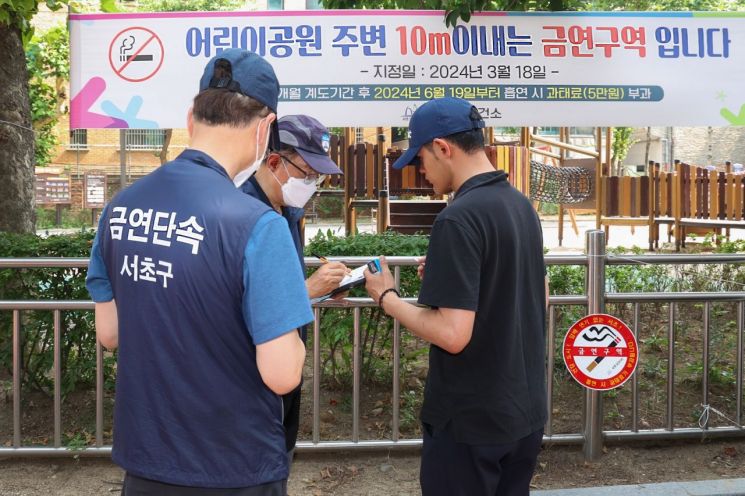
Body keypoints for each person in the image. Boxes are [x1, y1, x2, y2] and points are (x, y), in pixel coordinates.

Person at [85, 48, 312, 495]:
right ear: (265, 128)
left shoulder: (118, 210)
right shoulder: (258, 225)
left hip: (148, 464)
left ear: (192, 117)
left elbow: (109, 332)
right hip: (236, 466)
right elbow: (282, 374)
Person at [363, 97, 548, 496]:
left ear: (443, 148)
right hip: (524, 414)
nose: (421, 172)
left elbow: (452, 333)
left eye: (421, 159)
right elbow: (537, 295)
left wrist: (387, 296)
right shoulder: (520, 205)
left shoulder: (458, 217)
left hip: (471, 422)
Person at [237, 114, 347, 455]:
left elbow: (282, 283)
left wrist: (320, 291)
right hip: (250, 370)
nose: (313, 183)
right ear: (274, 161)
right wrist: (307, 291)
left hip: (288, 358)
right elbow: (239, 300)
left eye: (319, 177)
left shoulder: (289, 212)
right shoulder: (239, 215)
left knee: (282, 453)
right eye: (308, 173)